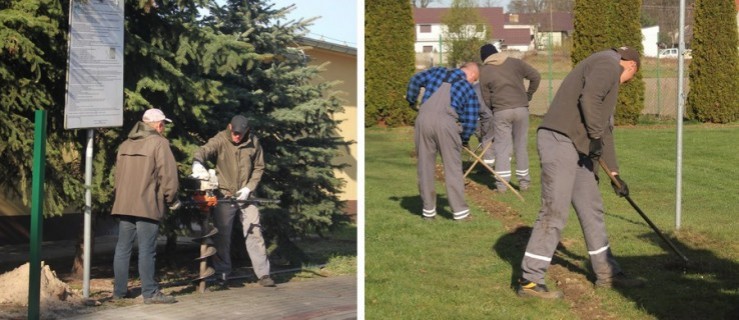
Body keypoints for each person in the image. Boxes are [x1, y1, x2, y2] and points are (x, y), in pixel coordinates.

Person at [517, 47, 644, 299]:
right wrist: (595, 135)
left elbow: (604, 129)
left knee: (591, 208)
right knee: (554, 210)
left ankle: (607, 273)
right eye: (633, 76)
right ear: (631, 66)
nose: (628, 82)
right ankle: (530, 281)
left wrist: (614, 174)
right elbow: (589, 100)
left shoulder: (606, 69)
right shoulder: (609, 65)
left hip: (578, 149)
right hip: (560, 139)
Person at [191, 115, 275, 287]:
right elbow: (204, 150)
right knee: (222, 236)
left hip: (247, 196)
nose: (237, 136)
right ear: (230, 127)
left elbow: (259, 167)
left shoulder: (254, 142)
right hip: (225, 195)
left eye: (241, 134)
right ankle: (222, 274)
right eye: (235, 133)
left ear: (247, 131)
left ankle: (263, 275)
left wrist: (249, 188)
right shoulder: (221, 139)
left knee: (255, 232)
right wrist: (197, 163)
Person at [111, 108, 180, 304]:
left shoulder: (125, 144)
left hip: (124, 204)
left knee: (122, 248)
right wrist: (172, 199)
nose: (164, 128)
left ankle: (119, 292)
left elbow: (118, 177)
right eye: (164, 124)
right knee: (147, 250)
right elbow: (168, 175)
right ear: (158, 125)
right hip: (147, 205)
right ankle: (150, 293)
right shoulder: (159, 143)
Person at [406, 62, 480, 221]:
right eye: (475, 80)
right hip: (447, 123)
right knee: (453, 168)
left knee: (425, 166)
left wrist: (412, 101)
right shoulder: (468, 88)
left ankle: (428, 212)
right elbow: (471, 119)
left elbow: (415, 79)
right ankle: (460, 213)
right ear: (472, 75)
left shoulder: (437, 71)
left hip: (423, 120)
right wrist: (464, 139)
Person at [479, 43, 541, 192]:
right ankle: (524, 182)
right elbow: (536, 76)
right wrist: (528, 95)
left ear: (484, 58)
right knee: (521, 146)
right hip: (521, 109)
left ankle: (502, 185)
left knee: (502, 147)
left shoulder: (485, 71)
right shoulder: (515, 62)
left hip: (501, 111)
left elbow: (486, 97)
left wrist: (494, 108)